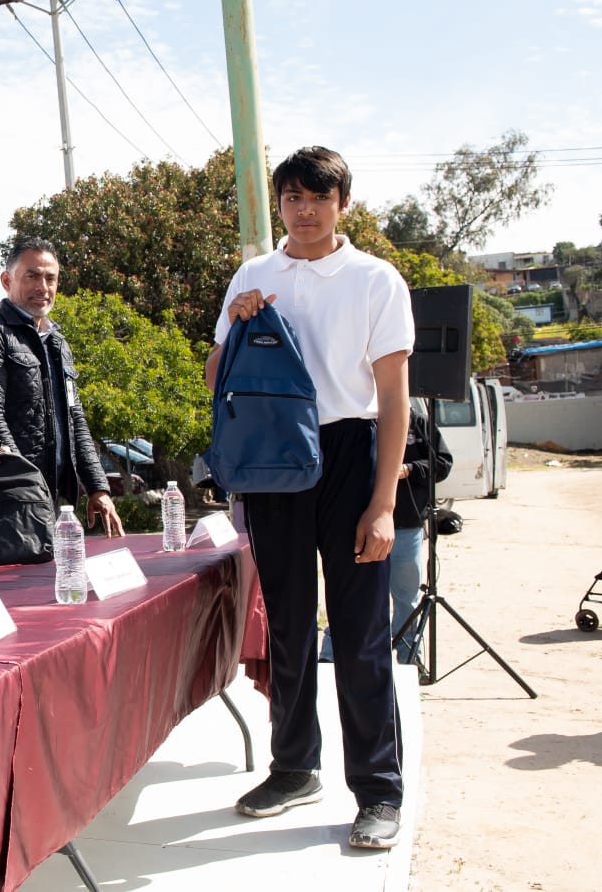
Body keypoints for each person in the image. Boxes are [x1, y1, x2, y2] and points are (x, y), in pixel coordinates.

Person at [206, 146, 413, 850]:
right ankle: (293, 766)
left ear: (342, 204)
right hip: (273, 460)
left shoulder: (374, 279)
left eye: (316, 198)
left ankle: (378, 791)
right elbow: (216, 377)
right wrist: (236, 323)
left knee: (358, 635)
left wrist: (381, 502)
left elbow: (391, 398)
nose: (302, 211)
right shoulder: (255, 272)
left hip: (349, 454)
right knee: (289, 623)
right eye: (290, 198)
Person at [0, 237, 123, 536]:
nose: (43, 287)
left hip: (53, 497)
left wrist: (97, 487)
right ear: (6, 280)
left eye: (50, 278)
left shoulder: (58, 341)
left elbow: (76, 418)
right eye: (32, 276)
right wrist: (25, 483)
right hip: (12, 499)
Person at [321, 404, 452, 664]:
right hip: (360, 525)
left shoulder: (420, 424)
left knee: (405, 597)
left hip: (406, 524)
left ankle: (408, 655)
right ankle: (331, 654)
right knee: (349, 590)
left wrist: (411, 469)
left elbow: (442, 463)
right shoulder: (358, 420)